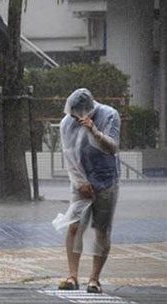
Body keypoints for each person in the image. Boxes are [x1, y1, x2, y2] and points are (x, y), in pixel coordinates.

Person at [53, 88, 121, 294]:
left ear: (88, 110)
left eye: (77, 113)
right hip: (80, 182)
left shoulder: (109, 115)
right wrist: (80, 182)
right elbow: (68, 154)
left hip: (106, 180)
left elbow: (112, 148)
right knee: (74, 226)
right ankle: (72, 275)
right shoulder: (67, 123)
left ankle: (94, 279)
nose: (73, 117)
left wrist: (94, 131)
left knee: (101, 229)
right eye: (71, 113)